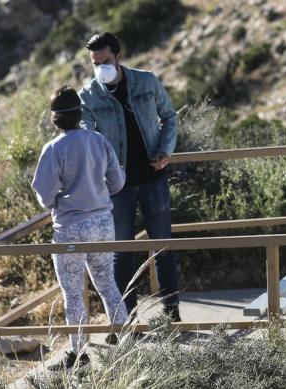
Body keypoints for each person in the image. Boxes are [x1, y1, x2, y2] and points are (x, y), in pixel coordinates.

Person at [78, 32, 180, 322]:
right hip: (117, 186)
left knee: (163, 248)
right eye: (96, 63)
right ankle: (126, 320)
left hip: (153, 178)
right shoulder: (89, 95)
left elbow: (169, 116)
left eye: (106, 61)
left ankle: (172, 315)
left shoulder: (146, 81)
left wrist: (165, 150)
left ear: (119, 56)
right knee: (121, 253)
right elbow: (86, 136)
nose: (101, 68)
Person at [31, 86, 129, 369]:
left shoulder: (53, 149)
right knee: (107, 284)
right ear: (79, 114)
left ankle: (79, 352)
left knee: (73, 293)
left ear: (55, 118)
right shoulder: (98, 140)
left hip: (70, 228)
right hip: (102, 223)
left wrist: (62, 198)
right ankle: (126, 342)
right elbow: (118, 183)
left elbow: (44, 197)